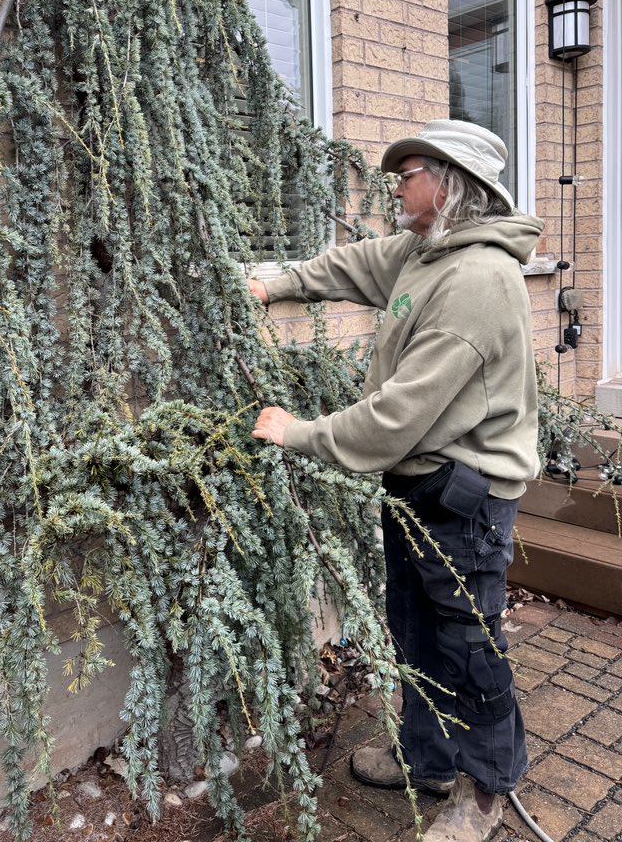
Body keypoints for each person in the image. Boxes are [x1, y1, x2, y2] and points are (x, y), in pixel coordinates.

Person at [249, 119, 544, 842]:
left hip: (466, 501)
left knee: (469, 646)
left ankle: (484, 791)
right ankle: (428, 759)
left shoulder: (478, 282)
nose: (394, 186)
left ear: (448, 184)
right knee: (415, 630)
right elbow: (349, 267)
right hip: (418, 487)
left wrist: (299, 433)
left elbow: (392, 420)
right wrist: (270, 285)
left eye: (406, 172)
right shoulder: (425, 252)